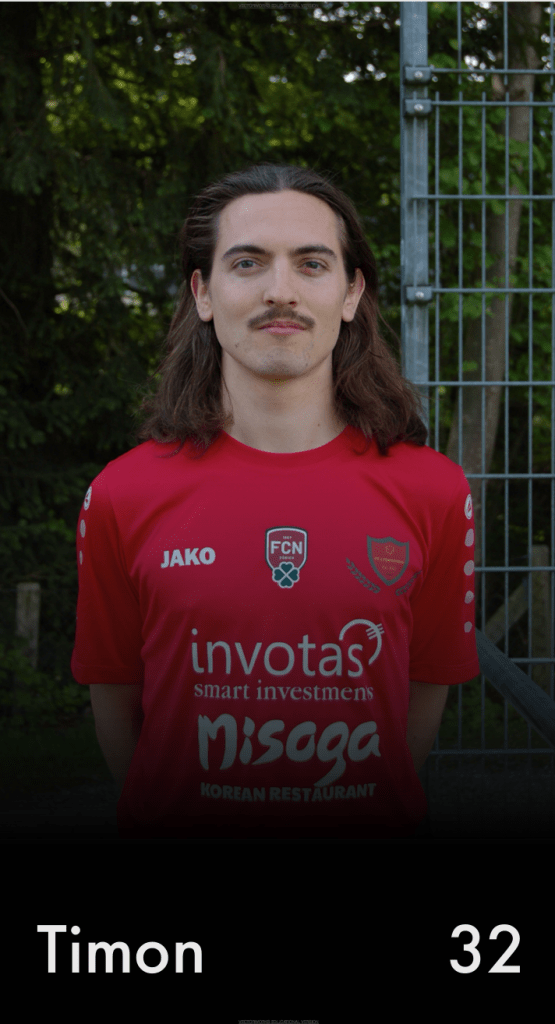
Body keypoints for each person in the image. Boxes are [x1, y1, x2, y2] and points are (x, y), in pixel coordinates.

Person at [71, 162, 481, 843]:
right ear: (204, 293)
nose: (279, 291)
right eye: (247, 263)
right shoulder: (121, 494)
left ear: (351, 293)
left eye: (311, 264)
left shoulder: (434, 491)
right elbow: (115, 700)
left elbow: (422, 695)